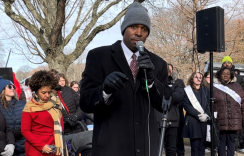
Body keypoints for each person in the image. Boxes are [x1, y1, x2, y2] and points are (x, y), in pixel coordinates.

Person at [79, 2, 171, 156]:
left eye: (144, 29)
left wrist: (152, 81)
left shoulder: (157, 63)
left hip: (146, 147)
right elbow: (85, 102)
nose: (139, 33)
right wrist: (105, 90)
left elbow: (166, 104)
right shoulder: (99, 57)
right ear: (124, 29)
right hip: (111, 147)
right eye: (133, 26)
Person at [21, 70, 66, 156]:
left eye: (49, 92)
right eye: (43, 93)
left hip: (56, 148)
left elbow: (60, 124)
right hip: (37, 150)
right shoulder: (29, 107)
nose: (47, 95)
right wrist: (41, 146)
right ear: (36, 91)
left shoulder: (55, 102)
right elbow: (25, 131)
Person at [213, 67, 244, 156]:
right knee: (221, 140)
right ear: (220, 75)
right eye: (223, 73)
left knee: (231, 140)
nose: (226, 75)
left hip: (234, 118)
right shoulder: (214, 87)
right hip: (220, 118)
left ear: (231, 75)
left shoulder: (237, 86)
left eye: (228, 73)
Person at [155, 64, 185, 156]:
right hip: (156, 119)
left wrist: (166, 93)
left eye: (169, 70)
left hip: (172, 120)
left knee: (171, 149)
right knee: (156, 148)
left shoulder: (178, 82)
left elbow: (179, 96)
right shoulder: (155, 81)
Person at [182, 72, 210, 156]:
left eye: (200, 77)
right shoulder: (187, 90)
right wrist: (198, 114)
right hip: (193, 120)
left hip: (204, 120)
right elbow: (186, 105)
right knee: (195, 146)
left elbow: (209, 105)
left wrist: (207, 115)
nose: (198, 79)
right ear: (192, 78)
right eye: (196, 77)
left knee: (202, 146)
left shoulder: (206, 90)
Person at [0, 76, 26, 156]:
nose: (12, 88)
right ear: (2, 89)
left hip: (24, 147)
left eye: (13, 86)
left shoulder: (22, 104)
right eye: (9, 86)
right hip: (7, 148)